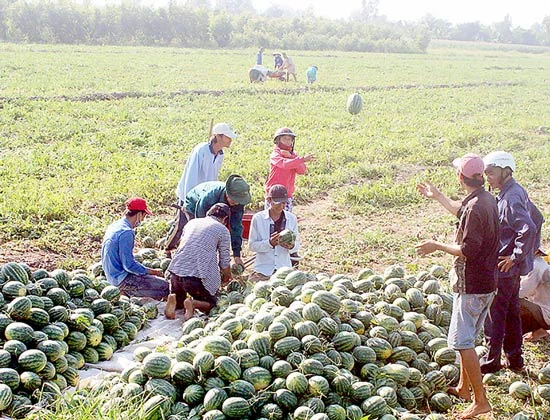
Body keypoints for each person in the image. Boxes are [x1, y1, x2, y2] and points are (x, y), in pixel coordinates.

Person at [416, 153, 499, 420]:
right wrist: (437, 196)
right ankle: (464, 389)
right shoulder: (483, 199)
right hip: (487, 282)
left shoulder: (476, 207)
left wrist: (436, 245)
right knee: (468, 339)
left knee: (462, 343)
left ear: (460, 177)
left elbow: (468, 250)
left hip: (472, 285)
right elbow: (460, 212)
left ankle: (480, 401)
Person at [480, 151, 538, 375]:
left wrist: (515, 256)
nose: (489, 178)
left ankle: (491, 360)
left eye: (491, 173)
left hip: (504, 269)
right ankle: (515, 359)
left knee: (495, 314)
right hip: (511, 271)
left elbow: (529, 227)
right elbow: (538, 216)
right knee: (512, 313)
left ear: (506, 171)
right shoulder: (512, 191)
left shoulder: (511, 196)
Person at [165, 122, 237, 255]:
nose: (230, 140)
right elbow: (191, 174)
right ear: (218, 136)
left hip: (206, 194)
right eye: (228, 137)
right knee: (181, 224)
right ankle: (167, 248)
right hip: (190, 193)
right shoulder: (201, 150)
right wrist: (187, 198)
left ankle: (191, 250)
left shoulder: (220, 154)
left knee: (199, 225)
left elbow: (213, 176)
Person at [164, 203, 232, 320]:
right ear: (225, 219)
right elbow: (224, 261)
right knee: (213, 304)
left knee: (181, 301)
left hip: (175, 272)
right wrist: (227, 277)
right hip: (194, 278)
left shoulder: (192, 223)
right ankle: (194, 304)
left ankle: (174, 299)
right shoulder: (222, 230)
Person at [101, 197, 169, 300]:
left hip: (111, 275)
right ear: (139, 214)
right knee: (166, 287)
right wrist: (153, 272)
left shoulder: (116, 225)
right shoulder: (127, 232)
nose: (143, 219)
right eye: (144, 216)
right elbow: (129, 265)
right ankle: (126, 292)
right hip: (121, 279)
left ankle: (125, 290)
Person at [180, 175, 251, 268]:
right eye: (234, 200)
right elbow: (200, 223)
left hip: (216, 212)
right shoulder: (211, 195)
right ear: (227, 194)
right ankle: (190, 261)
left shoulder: (238, 204)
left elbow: (236, 228)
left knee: (218, 235)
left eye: (238, 201)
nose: (236, 203)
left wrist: (237, 255)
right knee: (196, 236)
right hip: (194, 204)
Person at [249, 185, 300, 282]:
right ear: (269, 200)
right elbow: (252, 246)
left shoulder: (291, 218)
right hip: (263, 270)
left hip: (284, 271)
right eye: (278, 203)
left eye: (284, 203)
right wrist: (269, 243)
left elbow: (296, 245)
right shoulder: (258, 219)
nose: (281, 206)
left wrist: (291, 246)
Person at [266, 127, 315, 212]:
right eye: (284, 139)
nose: (288, 141)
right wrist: (302, 159)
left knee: (286, 221)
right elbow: (284, 164)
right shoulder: (275, 154)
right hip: (273, 194)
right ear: (278, 140)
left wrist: (292, 156)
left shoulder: (293, 155)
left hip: (287, 195)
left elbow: (302, 171)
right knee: (270, 220)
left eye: (289, 139)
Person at [520, 252, 550, 341]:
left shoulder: (536, 266)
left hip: (545, 315)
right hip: (543, 312)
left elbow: (521, 292)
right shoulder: (538, 264)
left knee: (509, 299)